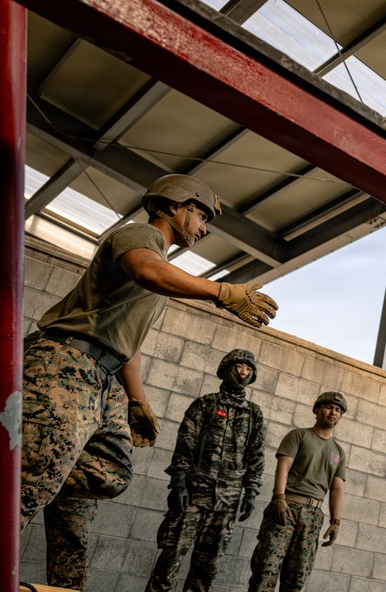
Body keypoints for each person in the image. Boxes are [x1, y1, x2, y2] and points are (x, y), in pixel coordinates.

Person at [20, 174, 279, 590]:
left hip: (102, 378)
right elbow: (145, 270)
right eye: (201, 215)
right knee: (28, 487)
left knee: (104, 476)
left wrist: (136, 399)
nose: (205, 226)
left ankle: (64, 585)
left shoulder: (160, 271)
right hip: (64, 366)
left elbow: (129, 341)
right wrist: (222, 293)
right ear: (175, 207)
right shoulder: (140, 238)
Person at [144, 349, 266, 592]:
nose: (243, 372)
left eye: (248, 369)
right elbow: (185, 443)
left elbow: (255, 454)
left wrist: (251, 491)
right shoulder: (205, 404)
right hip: (193, 495)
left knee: (206, 570)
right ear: (227, 368)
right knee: (169, 562)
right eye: (239, 366)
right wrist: (178, 483)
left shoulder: (253, 413)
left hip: (226, 503)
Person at [248, 391, 349, 592]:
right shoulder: (299, 435)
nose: (333, 412)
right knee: (265, 571)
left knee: (296, 578)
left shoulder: (339, 451)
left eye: (338, 410)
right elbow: (283, 467)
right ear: (317, 410)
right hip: (286, 509)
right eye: (329, 407)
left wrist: (335, 522)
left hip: (312, 517)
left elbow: (337, 488)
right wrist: (278, 497)